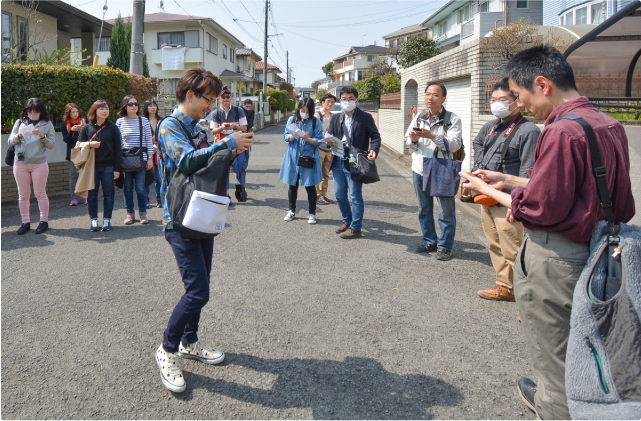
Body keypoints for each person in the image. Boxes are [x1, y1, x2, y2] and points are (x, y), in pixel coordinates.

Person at [460, 45, 635, 421]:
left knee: (555, 359)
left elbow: (541, 208)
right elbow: (587, 193)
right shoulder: (605, 124)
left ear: (542, 85)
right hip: (598, 252)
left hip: (558, 260)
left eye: (520, 97)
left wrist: (489, 191)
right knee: (589, 345)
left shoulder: (558, 131)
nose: (521, 106)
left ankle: (554, 409)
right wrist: (507, 178)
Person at [155, 67, 254, 393]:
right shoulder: (170, 126)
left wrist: (230, 150)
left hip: (202, 214)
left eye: (213, 100)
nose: (210, 107)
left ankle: (190, 341)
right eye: (207, 100)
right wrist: (224, 142)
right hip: (180, 218)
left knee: (202, 284)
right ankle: (167, 349)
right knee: (198, 290)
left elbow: (207, 162)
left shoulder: (197, 126)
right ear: (190, 95)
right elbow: (186, 161)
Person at [473, 80, 540, 301]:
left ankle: (528, 299)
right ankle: (504, 286)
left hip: (509, 200)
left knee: (514, 250)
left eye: (503, 100)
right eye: (493, 100)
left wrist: (518, 202)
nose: (497, 104)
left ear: (517, 103)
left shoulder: (528, 130)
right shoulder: (491, 126)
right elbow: (478, 145)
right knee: (495, 244)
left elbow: (529, 171)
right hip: (487, 196)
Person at [405, 83, 462, 260]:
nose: (430, 98)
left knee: (446, 211)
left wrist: (432, 136)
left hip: (442, 168)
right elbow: (408, 140)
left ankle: (445, 245)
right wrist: (413, 139)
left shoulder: (453, 119)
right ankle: (429, 240)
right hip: (420, 168)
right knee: (424, 208)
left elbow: (454, 145)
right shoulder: (419, 116)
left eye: (435, 95)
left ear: (443, 98)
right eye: (428, 94)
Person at [326, 86, 381, 239]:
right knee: (339, 194)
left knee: (355, 196)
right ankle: (347, 220)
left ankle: (356, 227)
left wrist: (374, 149)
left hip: (355, 160)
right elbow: (332, 134)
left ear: (356, 101)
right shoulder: (336, 117)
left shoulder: (365, 117)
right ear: (340, 100)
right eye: (344, 99)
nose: (347, 102)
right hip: (338, 159)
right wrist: (328, 140)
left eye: (350, 99)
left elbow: (375, 136)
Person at [7, 98, 55, 235]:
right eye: (30, 111)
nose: (33, 114)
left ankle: (43, 221)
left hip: (39, 163)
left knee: (40, 193)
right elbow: (9, 141)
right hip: (20, 162)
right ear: (26, 111)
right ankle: (25, 222)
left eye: (36, 111)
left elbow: (52, 145)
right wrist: (19, 136)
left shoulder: (48, 124)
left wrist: (42, 137)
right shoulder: (19, 122)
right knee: (23, 195)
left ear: (41, 112)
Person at [78, 100, 122, 232]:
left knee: (109, 194)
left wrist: (117, 168)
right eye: (101, 108)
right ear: (94, 111)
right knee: (92, 194)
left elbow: (118, 149)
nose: (105, 111)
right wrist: (90, 144)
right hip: (91, 167)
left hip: (109, 166)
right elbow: (78, 145)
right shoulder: (87, 128)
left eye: (107, 108)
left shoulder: (113, 128)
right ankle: (94, 220)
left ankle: (107, 219)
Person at [279, 97, 323, 224]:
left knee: (310, 186)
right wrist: (292, 136)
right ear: (299, 109)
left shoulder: (315, 122)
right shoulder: (292, 120)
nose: (305, 112)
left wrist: (308, 139)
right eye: (302, 110)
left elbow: (319, 141)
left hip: (309, 158)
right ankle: (291, 211)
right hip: (293, 157)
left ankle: (312, 213)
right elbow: (285, 136)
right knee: (292, 185)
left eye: (307, 111)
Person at [116, 95, 154, 225]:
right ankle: (129, 213)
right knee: (127, 188)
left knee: (140, 188)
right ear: (125, 106)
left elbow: (149, 140)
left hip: (141, 159)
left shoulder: (143, 121)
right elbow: (118, 143)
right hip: (125, 159)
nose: (134, 106)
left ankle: (143, 213)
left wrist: (150, 158)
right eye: (131, 104)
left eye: (136, 104)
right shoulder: (120, 122)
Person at [206, 86, 248, 201]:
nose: (226, 99)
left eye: (228, 96)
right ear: (219, 99)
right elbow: (213, 130)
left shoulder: (238, 110)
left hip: (237, 141)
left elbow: (244, 127)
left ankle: (240, 189)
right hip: (223, 143)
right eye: (223, 97)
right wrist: (221, 127)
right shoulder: (216, 113)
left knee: (240, 167)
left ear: (231, 97)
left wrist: (234, 126)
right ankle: (226, 195)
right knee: (224, 169)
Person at [61, 103, 86, 206]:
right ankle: (73, 197)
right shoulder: (65, 124)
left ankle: (86, 196)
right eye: (72, 112)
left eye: (76, 112)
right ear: (68, 113)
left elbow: (90, 136)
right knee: (73, 175)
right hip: (72, 152)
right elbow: (66, 140)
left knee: (84, 174)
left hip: (84, 151)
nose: (75, 114)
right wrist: (71, 131)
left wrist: (84, 128)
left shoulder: (83, 122)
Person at [315, 93, 337, 205]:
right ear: (323, 103)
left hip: (330, 149)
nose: (330, 104)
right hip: (319, 148)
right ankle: (317, 196)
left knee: (326, 174)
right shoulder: (318, 115)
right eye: (328, 101)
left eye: (332, 102)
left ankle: (323, 195)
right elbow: (314, 132)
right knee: (318, 172)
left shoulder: (333, 117)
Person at [143, 99, 163, 208]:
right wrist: (150, 147)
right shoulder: (143, 121)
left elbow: (165, 136)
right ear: (146, 107)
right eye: (150, 105)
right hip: (146, 152)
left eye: (154, 105)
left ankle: (159, 199)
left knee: (159, 177)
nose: (153, 107)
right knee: (147, 176)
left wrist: (157, 146)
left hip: (159, 151)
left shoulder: (161, 120)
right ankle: (146, 200)